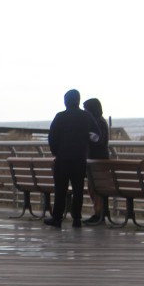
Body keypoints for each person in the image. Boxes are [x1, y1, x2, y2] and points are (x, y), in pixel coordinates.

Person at [46, 89, 97, 229]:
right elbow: (96, 135)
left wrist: (56, 151)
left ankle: (57, 218)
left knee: (60, 190)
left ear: (66, 101)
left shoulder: (60, 117)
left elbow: (52, 137)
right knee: (78, 189)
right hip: (79, 158)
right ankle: (77, 219)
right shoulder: (86, 116)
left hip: (62, 158)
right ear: (78, 100)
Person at [83, 97, 110, 224]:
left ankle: (99, 213)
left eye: (86, 110)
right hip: (99, 160)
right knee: (94, 187)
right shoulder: (100, 122)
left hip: (97, 161)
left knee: (95, 187)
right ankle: (99, 212)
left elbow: (98, 140)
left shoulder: (98, 123)